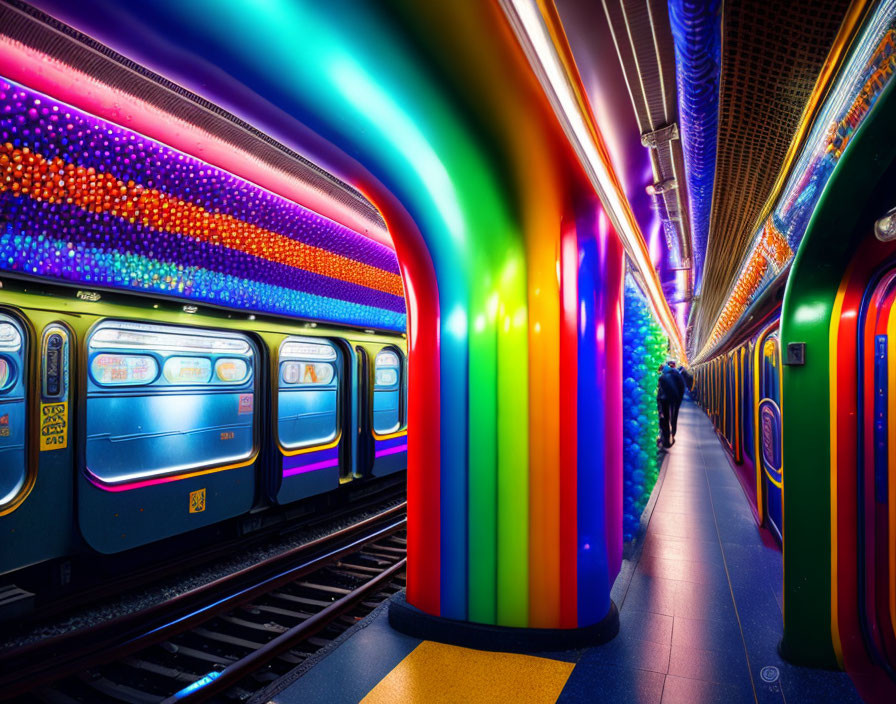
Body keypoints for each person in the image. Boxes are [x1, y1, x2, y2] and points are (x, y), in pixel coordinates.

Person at [662, 360, 685, 440]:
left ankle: (668, 434)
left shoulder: (664, 375)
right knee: (674, 415)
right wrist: (680, 398)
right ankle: (673, 430)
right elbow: (682, 387)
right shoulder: (678, 374)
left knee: (667, 416)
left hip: (667, 399)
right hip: (676, 398)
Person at [656, 364, 677, 449]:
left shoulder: (664, 379)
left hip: (664, 403)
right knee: (666, 422)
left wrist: (660, 410)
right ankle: (667, 440)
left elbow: (661, 393)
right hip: (668, 402)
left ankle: (666, 441)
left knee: (664, 422)